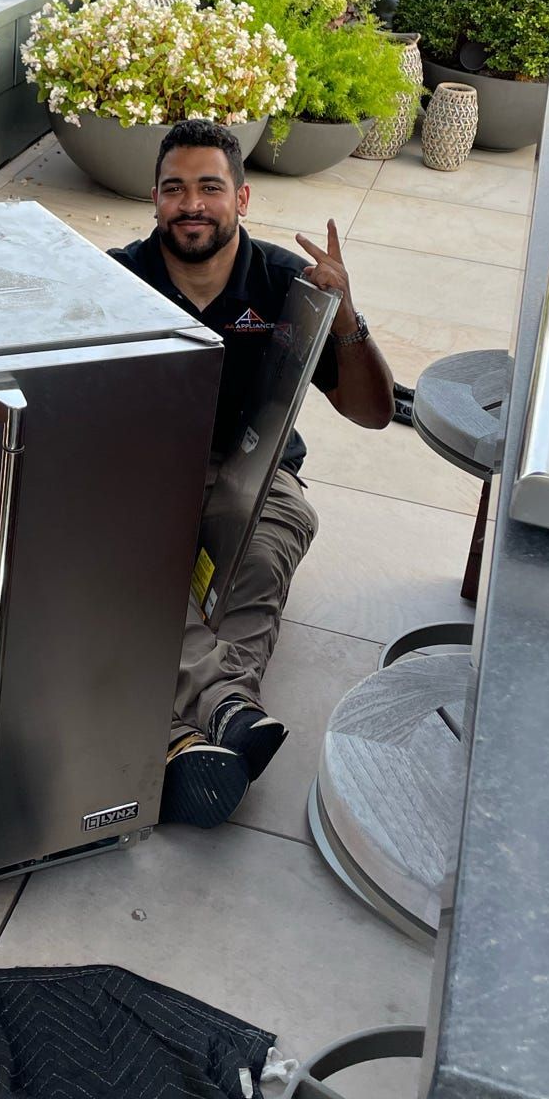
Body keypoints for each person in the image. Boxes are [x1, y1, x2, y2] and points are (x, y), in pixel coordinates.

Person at [111, 119, 394, 828]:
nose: (192, 204)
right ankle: (223, 712)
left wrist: (346, 317)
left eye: (210, 187)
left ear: (241, 197)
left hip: (258, 475)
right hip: (146, 479)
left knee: (260, 563)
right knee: (139, 571)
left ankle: (181, 732)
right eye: (175, 189)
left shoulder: (285, 283)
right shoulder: (115, 279)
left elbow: (374, 414)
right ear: (154, 200)